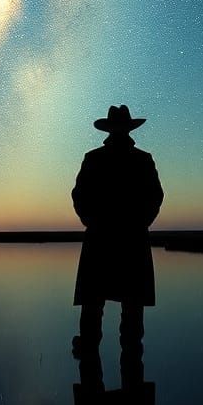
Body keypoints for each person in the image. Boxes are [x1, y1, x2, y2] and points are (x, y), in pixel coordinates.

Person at [71, 104, 164, 359]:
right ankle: (131, 376)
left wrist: (93, 222)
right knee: (131, 313)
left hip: (100, 240)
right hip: (131, 241)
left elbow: (79, 196)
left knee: (94, 307)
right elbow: (155, 197)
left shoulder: (94, 158)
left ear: (110, 130)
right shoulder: (142, 159)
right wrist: (140, 223)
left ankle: (91, 374)